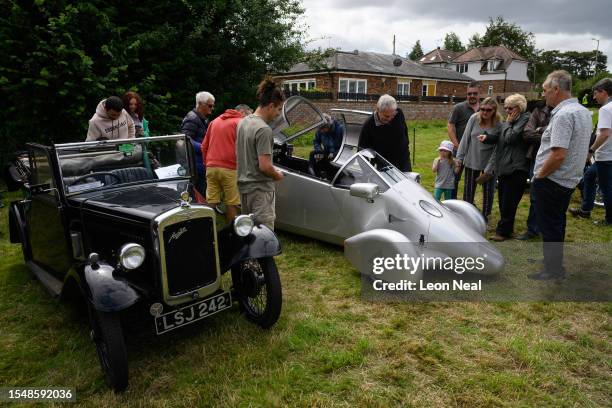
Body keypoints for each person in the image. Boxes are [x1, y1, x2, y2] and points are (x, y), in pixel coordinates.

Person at [530, 70, 592, 280]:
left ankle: (553, 270)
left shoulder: (564, 115)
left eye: (546, 90)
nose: (544, 95)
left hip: (552, 179)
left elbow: (558, 154)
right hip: (568, 179)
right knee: (557, 223)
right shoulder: (582, 111)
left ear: (556, 89)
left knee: (550, 225)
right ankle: (552, 263)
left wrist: (540, 176)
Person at [479, 94, 531, 241]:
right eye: (506, 107)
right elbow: (502, 138)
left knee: (509, 202)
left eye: (510, 108)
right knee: (503, 200)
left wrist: (508, 123)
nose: (507, 110)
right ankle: (505, 228)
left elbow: (510, 138)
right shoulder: (513, 120)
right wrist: (488, 138)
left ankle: (503, 232)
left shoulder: (524, 119)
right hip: (504, 166)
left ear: (519, 108)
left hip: (516, 168)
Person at [236, 79, 285, 230]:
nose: (278, 114)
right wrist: (277, 175)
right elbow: (264, 166)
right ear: (271, 106)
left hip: (244, 189)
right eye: (278, 109)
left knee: (248, 233)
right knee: (263, 237)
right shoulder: (263, 129)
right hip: (260, 191)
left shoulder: (243, 122)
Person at [201, 104, 252, 223]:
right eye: (249, 115)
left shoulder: (214, 121)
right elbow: (246, 148)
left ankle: (205, 230)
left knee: (211, 201)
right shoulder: (240, 123)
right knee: (232, 203)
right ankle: (233, 233)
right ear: (243, 112)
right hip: (230, 168)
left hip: (211, 167)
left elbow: (204, 146)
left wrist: (207, 163)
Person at [456, 97, 502, 222]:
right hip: (471, 160)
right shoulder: (474, 119)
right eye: (482, 109)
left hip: (489, 164)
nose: (485, 112)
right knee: (468, 192)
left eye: (488, 110)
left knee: (488, 193)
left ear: (494, 110)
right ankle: (467, 215)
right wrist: (459, 159)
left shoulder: (499, 124)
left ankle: (484, 217)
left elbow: (497, 148)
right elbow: (465, 139)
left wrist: (489, 169)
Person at [515, 101, 552, 240]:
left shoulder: (563, 112)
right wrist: (549, 135)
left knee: (551, 195)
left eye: (545, 90)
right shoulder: (538, 111)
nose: (544, 94)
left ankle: (546, 227)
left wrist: (541, 129)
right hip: (537, 158)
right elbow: (527, 133)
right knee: (535, 195)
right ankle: (533, 229)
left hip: (557, 158)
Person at [359, 94, 411, 172]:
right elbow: (362, 150)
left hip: (403, 161)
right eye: (386, 116)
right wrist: (368, 171)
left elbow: (405, 132)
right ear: (378, 109)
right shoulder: (369, 125)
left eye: (392, 115)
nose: (390, 119)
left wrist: (406, 146)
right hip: (384, 165)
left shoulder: (398, 113)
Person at [448, 81, 481, 198]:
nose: (472, 96)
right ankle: (452, 203)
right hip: (459, 150)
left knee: (471, 181)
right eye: (469, 93)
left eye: (475, 93)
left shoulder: (484, 109)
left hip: (476, 152)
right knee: (454, 178)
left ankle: (468, 203)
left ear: (479, 94)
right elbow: (450, 126)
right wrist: (456, 145)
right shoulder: (459, 108)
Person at [586, 78, 612, 226]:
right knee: (589, 177)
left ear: (604, 92)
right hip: (609, 155)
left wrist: (591, 150)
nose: (594, 97)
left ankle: (609, 219)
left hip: (605, 156)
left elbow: (604, 134)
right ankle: (585, 209)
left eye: (596, 93)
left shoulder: (605, 109)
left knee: (606, 188)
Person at [181, 91, 215, 195]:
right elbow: (185, 139)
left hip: (200, 162)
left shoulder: (201, 119)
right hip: (195, 164)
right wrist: (203, 147)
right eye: (210, 105)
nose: (212, 108)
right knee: (202, 193)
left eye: (212, 106)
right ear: (200, 104)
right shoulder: (192, 119)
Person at [308, 113, 344, 177]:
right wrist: (319, 150)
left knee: (332, 170)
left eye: (323, 129)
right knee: (312, 154)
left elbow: (346, 147)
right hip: (326, 153)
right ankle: (314, 175)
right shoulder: (320, 130)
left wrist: (335, 153)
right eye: (320, 129)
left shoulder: (340, 129)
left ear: (328, 125)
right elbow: (316, 141)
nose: (321, 131)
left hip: (339, 156)